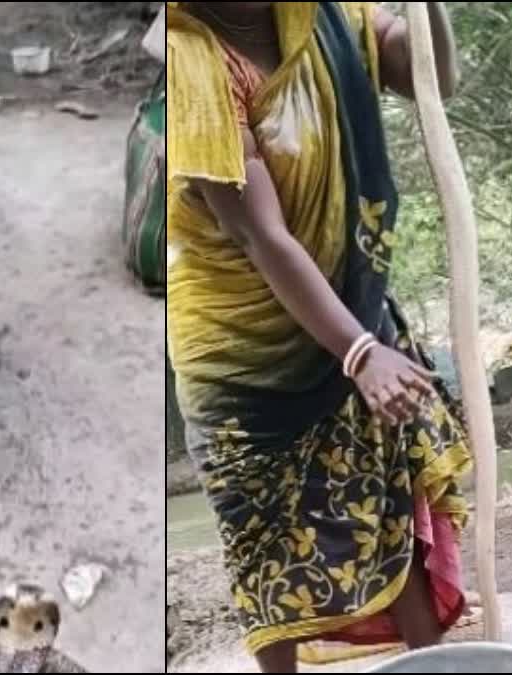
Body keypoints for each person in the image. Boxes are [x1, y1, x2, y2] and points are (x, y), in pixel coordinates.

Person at [166, 2, 468, 672]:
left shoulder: (329, 14)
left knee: (390, 507)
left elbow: (431, 77)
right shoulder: (192, 64)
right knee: (264, 550)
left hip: (348, 313)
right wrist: (359, 352)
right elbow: (258, 233)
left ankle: (433, 665)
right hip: (243, 359)